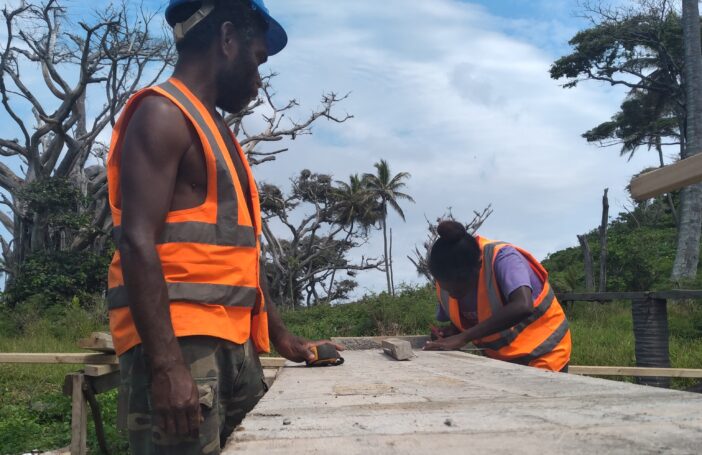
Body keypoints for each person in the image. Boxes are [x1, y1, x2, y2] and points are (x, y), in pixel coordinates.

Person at [106, 0, 342, 452]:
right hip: (182, 346)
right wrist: (167, 366)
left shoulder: (216, 130)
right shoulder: (163, 114)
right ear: (228, 39)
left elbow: (238, 254)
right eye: (257, 59)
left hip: (233, 345)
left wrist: (282, 337)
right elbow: (137, 243)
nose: (258, 78)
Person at [423, 221, 571, 372]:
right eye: (446, 287)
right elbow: (474, 317)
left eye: (459, 286)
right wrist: (452, 332)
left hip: (544, 354)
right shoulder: (445, 274)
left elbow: (523, 305)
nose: (452, 293)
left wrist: (463, 338)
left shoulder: (503, 258)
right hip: (502, 363)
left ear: (478, 266)